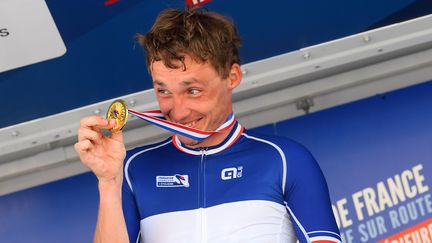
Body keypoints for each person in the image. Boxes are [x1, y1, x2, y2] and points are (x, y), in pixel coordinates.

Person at [75, 8, 341, 243]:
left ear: (232, 76)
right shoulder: (132, 169)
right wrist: (109, 183)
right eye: (164, 91)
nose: (177, 111)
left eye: (192, 90)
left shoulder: (284, 160)